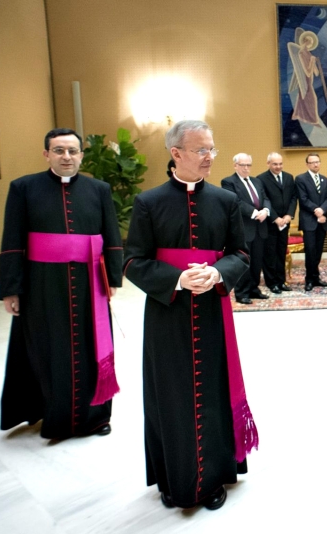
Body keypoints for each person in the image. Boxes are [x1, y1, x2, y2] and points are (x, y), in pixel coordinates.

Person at [124, 120, 258, 510]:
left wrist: (217, 273)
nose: (209, 157)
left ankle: (215, 474)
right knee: (172, 395)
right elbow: (132, 261)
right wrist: (179, 279)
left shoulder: (225, 200)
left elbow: (242, 253)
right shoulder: (149, 202)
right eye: (201, 150)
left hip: (213, 312)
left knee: (213, 391)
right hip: (168, 315)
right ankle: (174, 478)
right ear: (176, 153)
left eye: (212, 149)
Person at [0, 128, 122, 440]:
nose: (66, 156)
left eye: (72, 150)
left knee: (92, 346)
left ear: (81, 154)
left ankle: (95, 417)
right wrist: (11, 288)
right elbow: (12, 241)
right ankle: (52, 414)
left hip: (88, 285)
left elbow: (112, 236)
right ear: (47, 154)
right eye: (58, 150)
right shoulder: (23, 188)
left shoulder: (99, 189)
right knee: (46, 348)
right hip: (42, 286)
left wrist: (114, 278)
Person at [221, 153, 272, 304]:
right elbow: (235, 201)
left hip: (260, 228)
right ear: (235, 165)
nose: (246, 168)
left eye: (249, 165)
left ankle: (254, 289)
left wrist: (266, 211)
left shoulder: (257, 181)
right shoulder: (228, 182)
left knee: (257, 262)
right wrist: (255, 213)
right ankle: (242, 292)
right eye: (243, 165)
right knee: (244, 262)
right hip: (244, 229)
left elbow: (266, 198)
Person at [256, 152, 297, 293]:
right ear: (268, 164)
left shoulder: (288, 177)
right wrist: (275, 218)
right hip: (270, 224)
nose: (278, 166)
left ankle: (281, 281)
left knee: (281, 252)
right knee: (270, 254)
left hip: (285, 223)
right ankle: (271, 283)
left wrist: (289, 215)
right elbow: (263, 199)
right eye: (275, 164)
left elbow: (293, 198)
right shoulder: (261, 179)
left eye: (280, 163)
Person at [295, 152, 327, 291]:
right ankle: (309, 279)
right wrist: (316, 210)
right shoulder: (300, 179)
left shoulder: (325, 180)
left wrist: (322, 210)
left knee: (318, 251)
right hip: (309, 221)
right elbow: (303, 199)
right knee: (310, 251)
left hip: (322, 220)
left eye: (317, 162)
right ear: (307, 164)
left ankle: (316, 278)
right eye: (312, 162)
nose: (316, 164)